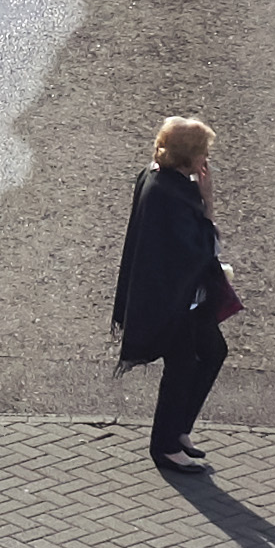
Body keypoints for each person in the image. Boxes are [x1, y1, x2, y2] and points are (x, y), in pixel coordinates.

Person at [111, 116, 234, 468]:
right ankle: (166, 444)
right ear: (189, 157)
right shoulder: (174, 195)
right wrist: (208, 203)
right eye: (203, 153)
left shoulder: (157, 180)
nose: (206, 159)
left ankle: (177, 429)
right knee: (184, 364)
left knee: (212, 351)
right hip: (173, 299)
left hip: (175, 294)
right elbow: (202, 247)